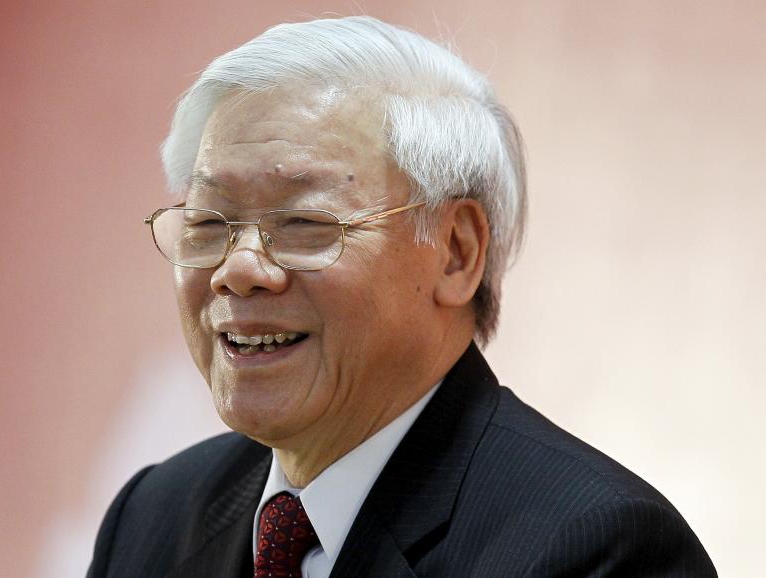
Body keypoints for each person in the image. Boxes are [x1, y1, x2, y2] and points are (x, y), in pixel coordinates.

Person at [88, 16, 716, 578]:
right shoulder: (153, 516)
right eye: (208, 222)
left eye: (303, 222)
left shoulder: (594, 547)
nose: (240, 269)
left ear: (456, 252)